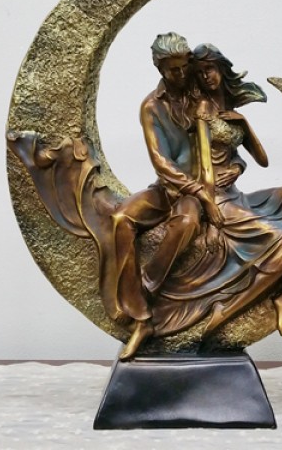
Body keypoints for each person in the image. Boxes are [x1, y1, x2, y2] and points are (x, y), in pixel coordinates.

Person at [148, 44, 282, 338]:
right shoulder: (202, 110)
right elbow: (205, 164)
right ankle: (230, 308)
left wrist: (242, 133)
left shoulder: (227, 110)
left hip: (235, 193)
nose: (206, 77)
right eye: (200, 72)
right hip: (214, 194)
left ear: (221, 68)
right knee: (281, 237)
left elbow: (262, 160)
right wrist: (208, 206)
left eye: (210, 69)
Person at [106, 32, 224, 359]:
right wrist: (196, 189)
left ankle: (145, 287)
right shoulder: (151, 107)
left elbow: (229, 133)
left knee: (186, 222)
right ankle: (141, 317)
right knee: (120, 218)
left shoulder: (202, 96)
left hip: (194, 195)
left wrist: (209, 189)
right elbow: (161, 161)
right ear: (160, 68)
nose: (182, 74)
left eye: (185, 67)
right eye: (174, 69)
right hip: (168, 187)